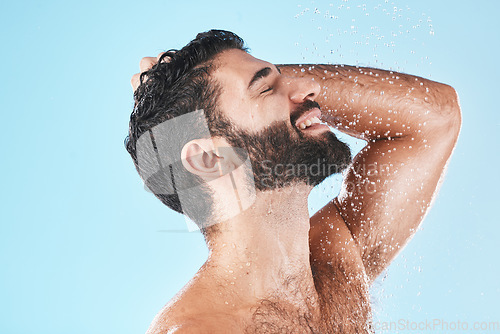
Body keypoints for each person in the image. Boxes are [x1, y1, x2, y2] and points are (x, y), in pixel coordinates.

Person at [124, 30, 461, 333]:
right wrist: (187, 99)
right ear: (208, 160)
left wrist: (187, 92)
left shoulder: (337, 260)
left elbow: (435, 118)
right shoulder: (200, 330)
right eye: (265, 88)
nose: (309, 86)